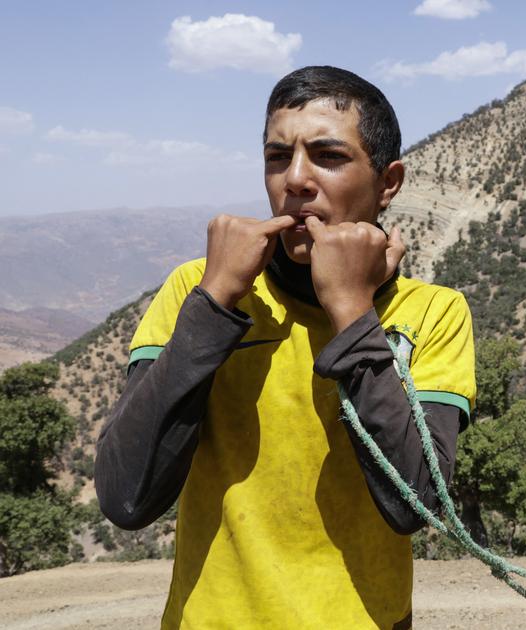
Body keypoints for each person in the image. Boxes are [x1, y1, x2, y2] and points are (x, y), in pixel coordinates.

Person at [95, 66, 475, 629]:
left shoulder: (433, 312)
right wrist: (215, 301)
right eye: (278, 157)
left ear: (388, 183)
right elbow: (127, 497)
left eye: (328, 156)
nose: (295, 178)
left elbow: (416, 502)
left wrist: (351, 312)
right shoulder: (195, 291)